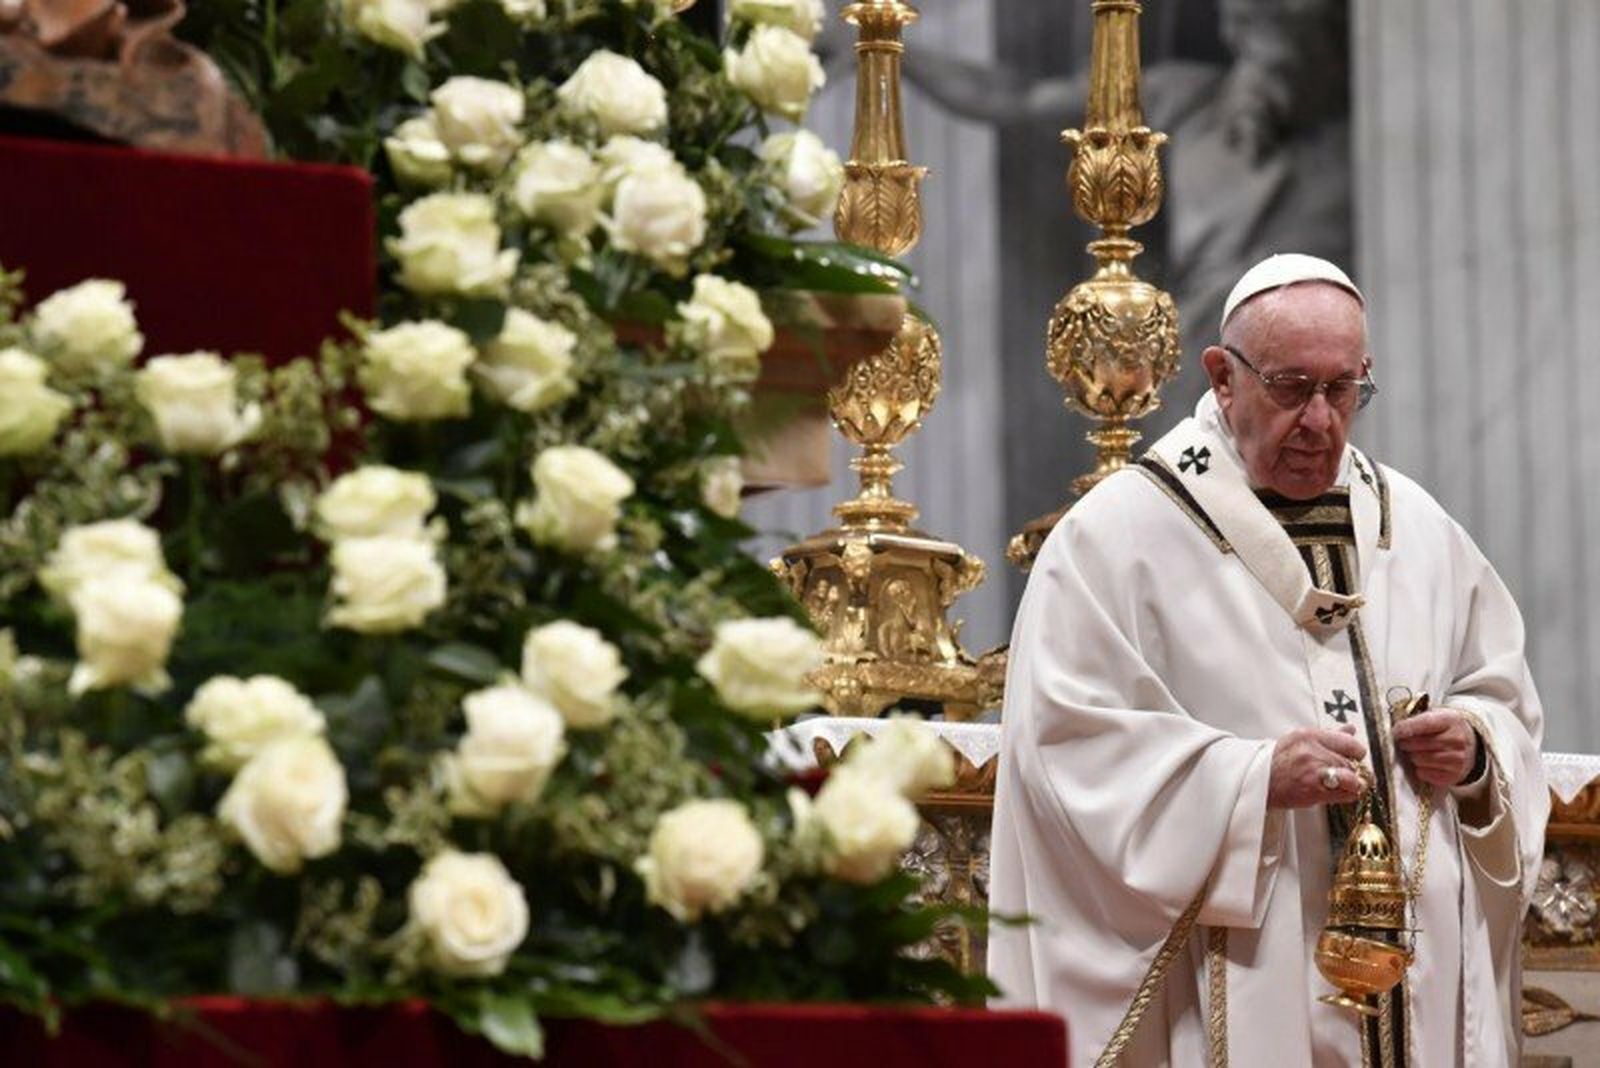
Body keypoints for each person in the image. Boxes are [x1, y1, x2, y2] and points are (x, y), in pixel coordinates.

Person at [988, 253, 1549, 1067]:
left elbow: (1502, 695)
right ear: (1223, 376)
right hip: (1239, 969)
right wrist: (1249, 781)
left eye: (1344, 389)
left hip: (1408, 989)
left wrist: (1474, 751)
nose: (1320, 420)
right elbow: (1064, 750)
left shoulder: (1417, 528)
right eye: (1291, 387)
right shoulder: (1119, 536)